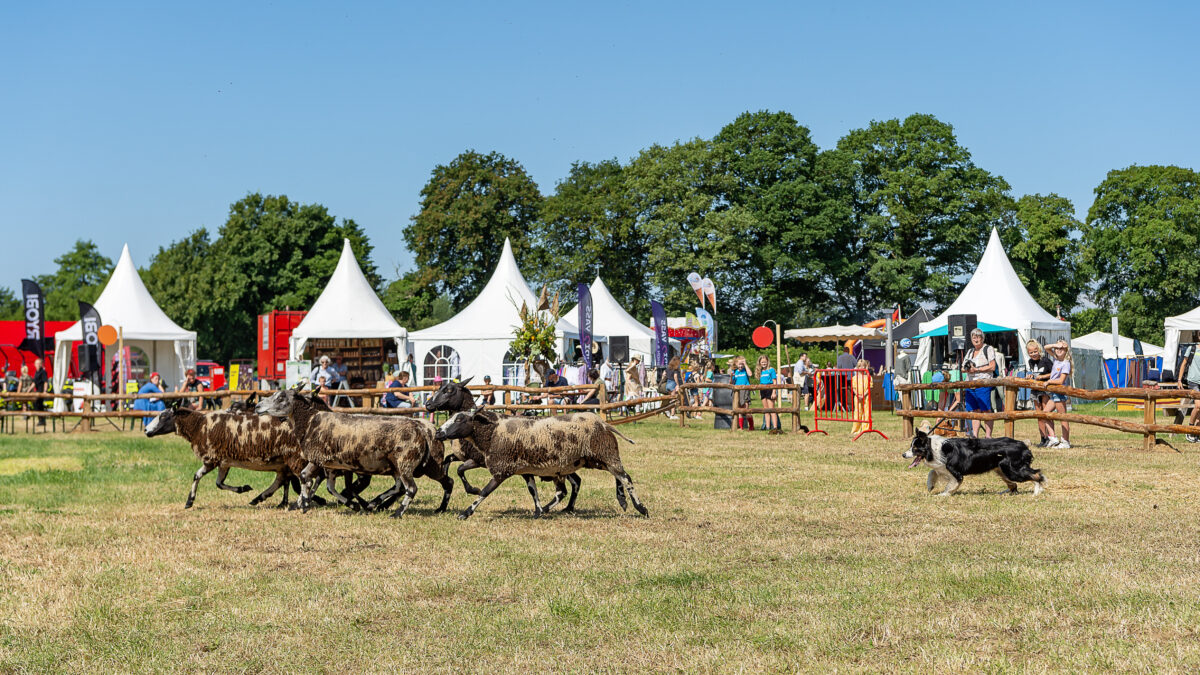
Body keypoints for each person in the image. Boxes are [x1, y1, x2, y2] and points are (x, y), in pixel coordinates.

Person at [959, 328, 997, 438]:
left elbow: (992, 366)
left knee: (985, 410)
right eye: (974, 337)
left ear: (982, 338)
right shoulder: (970, 351)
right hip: (970, 384)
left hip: (983, 384)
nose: (976, 339)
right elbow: (962, 368)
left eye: (978, 337)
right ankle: (975, 435)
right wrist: (968, 369)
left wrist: (977, 370)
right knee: (973, 411)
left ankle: (988, 436)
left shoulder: (988, 349)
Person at [1025, 340, 1056, 446]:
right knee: (1039, 414)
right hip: (1035, 389)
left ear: (1039, 350)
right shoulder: (1030, 362)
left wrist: (1043, 377)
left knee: (1045, 413)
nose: (1033, 354)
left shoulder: (1046, 360)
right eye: (1031, 352)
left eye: (1035, 351)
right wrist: (1029, 376)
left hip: (1045, 389)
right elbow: (1033, 373)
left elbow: (1054, 373)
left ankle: (1051, 437)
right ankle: (1043, 438)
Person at [1045, 340, 1073, 448]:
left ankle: (1065, 441)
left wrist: (1049, 381)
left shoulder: (1066, 363)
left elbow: (1061, 381)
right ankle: (1053, 438)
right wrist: (1055, 345)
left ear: (1066, 351)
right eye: (1057, 349)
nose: (1058, 350)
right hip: (1053, 393)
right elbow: (1046, 347)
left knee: (1062, 417)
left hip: (1059, 393)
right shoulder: (1056, 359)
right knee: (1045, 413)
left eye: (1061, 349)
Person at [757, 355, 780, 434]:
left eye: (765, 362)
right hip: (763, 390)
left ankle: (775, 427)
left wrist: (774, 392)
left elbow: (774, 381)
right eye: (762, 362)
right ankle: (767, 426)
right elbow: (760, 382)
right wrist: (760, 392)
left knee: (771, 409)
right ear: (760, 363)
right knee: (766, 410)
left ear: (767, 362)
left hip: (770, 389)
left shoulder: (771, 370)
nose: (764, 363)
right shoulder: (760, 371)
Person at [850, 358, 872, 437]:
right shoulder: (854, 378)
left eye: (863, 366)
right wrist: (858, 395)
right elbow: (854, 388)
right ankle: (856, 429)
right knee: (858, 412)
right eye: (860, 366)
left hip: (866, 397)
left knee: (866, 412)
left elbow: (869, 387)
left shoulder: (868, 377)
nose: (861, 368)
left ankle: (866, 428)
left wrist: (863, 395)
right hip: (857, 397)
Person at [731, 356, 752, 429]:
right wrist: (731, 376)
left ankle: (751, 426)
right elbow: (731, 382)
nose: (741, 366)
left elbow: (750, 374)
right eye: (739, 364)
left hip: (745, 390)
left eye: (742, 364)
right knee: (739, 409)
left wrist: (745, 365)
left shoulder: (745, 370)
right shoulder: (735, 372)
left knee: (746, 409)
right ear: (736, 364)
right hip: (737, 391)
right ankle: (741, 427)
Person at [31, 358, 48, 426]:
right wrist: (28, 390)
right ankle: (41, 419)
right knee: (35, 404)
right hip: (37, 391)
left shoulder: (43, 372)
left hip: (40, 391)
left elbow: (45, 382)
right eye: (36, 363)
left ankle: (42, 420)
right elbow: (34, 383)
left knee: (39, 405)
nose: (37, 365)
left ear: (41, 364)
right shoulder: (36, 372)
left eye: (38, 363)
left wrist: (45, 391)